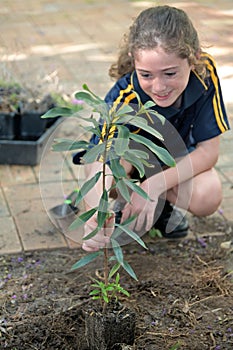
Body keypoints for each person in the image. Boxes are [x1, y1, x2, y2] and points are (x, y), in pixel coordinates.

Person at [73, 5, 230, 252]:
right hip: (130, 164)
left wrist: (153, 186)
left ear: (194, 58)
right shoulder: (123, 97)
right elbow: (100, 164)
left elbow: (208, 152)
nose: (158, 87)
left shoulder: (205, 73)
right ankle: (127, 200)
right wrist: (96, 212)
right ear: (134, 62)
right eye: (146, 75)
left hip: (171, 161)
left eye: (169, 73)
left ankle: (158, 205)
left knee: (208, 196)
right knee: (115, 164)